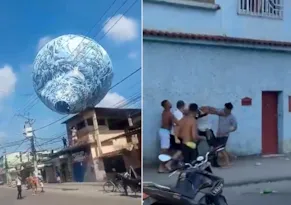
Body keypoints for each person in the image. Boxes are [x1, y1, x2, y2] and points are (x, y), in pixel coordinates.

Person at [201, 102, 238, 167]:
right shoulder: (221, 112)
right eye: (224, 109)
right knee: (219, 148)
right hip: (218, 134)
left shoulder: (232, 117)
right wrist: (206, 109)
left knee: (221, 149)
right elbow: (215, 111)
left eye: (226, 110)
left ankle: (228, 163)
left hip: (225, 135)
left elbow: (235, 127)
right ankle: (232, 157)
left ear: (230, 110)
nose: (225, 110)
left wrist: (228, 131)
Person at [158, 100, 179, 173]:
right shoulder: (169, 114)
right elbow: (175, 123)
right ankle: (161, 168)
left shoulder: (165, 112)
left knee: (169, 150)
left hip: (164, 132)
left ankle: (166, 165)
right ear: (166, 105)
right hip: (165, 133)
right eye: (169, 103)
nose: (171, 103)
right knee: (164, 150)